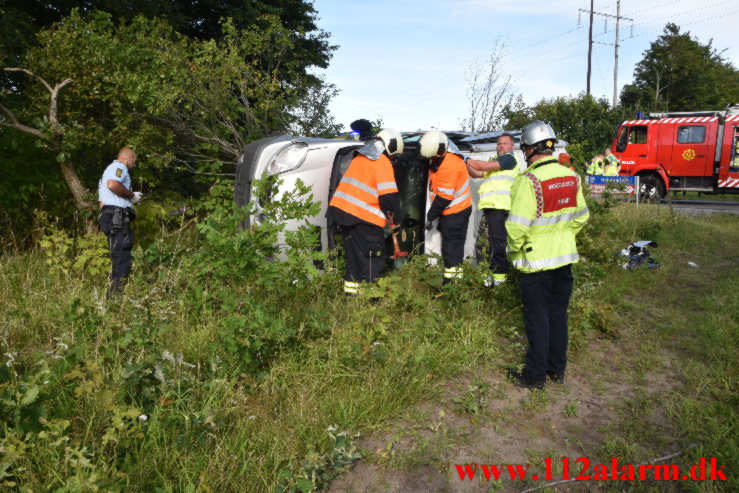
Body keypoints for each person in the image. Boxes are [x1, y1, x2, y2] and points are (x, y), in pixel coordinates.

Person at [505, 121, 589, 389]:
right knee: (558, 315)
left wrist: (513, 251)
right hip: (564, 260)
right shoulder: (571, 176)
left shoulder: (528, 180)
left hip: (535, 263)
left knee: (537, 319)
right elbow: (581, 218)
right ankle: (557, 370)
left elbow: (517, 227)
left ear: (529, 149)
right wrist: (562, 237)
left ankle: (535, 376)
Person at [326, 129, 404, 296]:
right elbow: (389, 198)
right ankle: (372, 303)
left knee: (353, 262)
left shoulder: (359, 159)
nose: (392, 158)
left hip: (344, 217)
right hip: (364, 220)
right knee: (372, 262)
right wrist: (397, 219)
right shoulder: (382, 162)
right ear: (390, 146)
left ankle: (352, 297)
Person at [465, 133, 521, 286]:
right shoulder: (494, 162)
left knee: (497, 245)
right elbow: (477, 173)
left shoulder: (509, 159)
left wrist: (465, 159)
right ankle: (485, 279)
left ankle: (499, 281)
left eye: (504, 143)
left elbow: (481, 166)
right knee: (482, 244)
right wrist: (465, 165)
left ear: (512, 147)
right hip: (490, 208)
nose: (501, 146)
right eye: (499, 143)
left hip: (499, 207)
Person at [419, 130, 472, 287]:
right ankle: (454, 281)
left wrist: (430, 217)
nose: (431, 159)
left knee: (451, 250)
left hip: (456, 212)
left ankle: (451, 286)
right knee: (452, 248)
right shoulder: (440, 158)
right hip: (452, 212)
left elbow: (444, 197)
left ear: (440, 150)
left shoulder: (450, 164)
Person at [98, 147, 143, 296]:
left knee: (118, 256)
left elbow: (102, 204)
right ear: (129, 157)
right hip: (117, 217)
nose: (134, 165)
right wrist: (131, 196)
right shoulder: (119, 167)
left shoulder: (107, 171)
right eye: (134, 161)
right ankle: (115, 297)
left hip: (111, 216)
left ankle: (113, 295)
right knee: (123, 257)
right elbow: (113, 185)